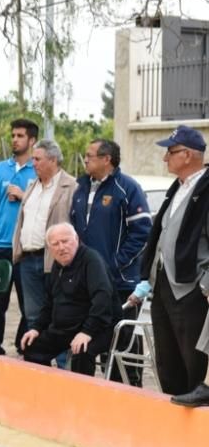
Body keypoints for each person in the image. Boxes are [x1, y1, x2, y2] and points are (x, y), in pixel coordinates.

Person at [133, 125, 209, 396]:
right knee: (167, 361)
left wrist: (206, 284)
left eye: (170, 152)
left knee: (194, 360)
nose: (166, 158)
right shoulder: (177, 188)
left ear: (187, 155)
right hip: (163, 285)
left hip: (192, 287)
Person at [70, 139, 151, 385]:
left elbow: (142, 233)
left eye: (90, 155)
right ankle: (89, 391)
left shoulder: (127, 188)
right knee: (89, 338)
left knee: (122, 341)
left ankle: (128, 390)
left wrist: (114, 264)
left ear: (107, 159)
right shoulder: (81, 187)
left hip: (120, 283)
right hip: (89, 283)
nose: (85, 160)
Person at [20, 224, 118, 375]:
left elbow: (102, 298)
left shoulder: (91, 260)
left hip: (99, 327)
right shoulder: (57, 265)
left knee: (81, 350)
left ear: (76, 239)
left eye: (65, 241)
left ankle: (81, 396)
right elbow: (49, 304)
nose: (61, 247)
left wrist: (87, 331)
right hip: (67, 328)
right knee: (32, 346)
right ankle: (46, 391)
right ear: (49, 248)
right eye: (55, 244)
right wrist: (36, 328)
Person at [0, 119, 38, 354]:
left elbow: (44, 203)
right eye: (13, 135)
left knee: (30, 305)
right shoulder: (0, 169)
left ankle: (24, 345)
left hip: (26, 248)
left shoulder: (39, 168)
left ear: (32, 140)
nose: (15, 139)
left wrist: (23, 194)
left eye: (20, 136)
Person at [12, 139, 76, 329]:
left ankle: (64, 359)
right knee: (32, 316)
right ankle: (38, 358)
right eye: (33, 159)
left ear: (53, 160)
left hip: (55, 260)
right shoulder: (32, 185)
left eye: (38, 159)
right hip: (28, 259)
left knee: (60, 314)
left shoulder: (71, 186)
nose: (34, 163)